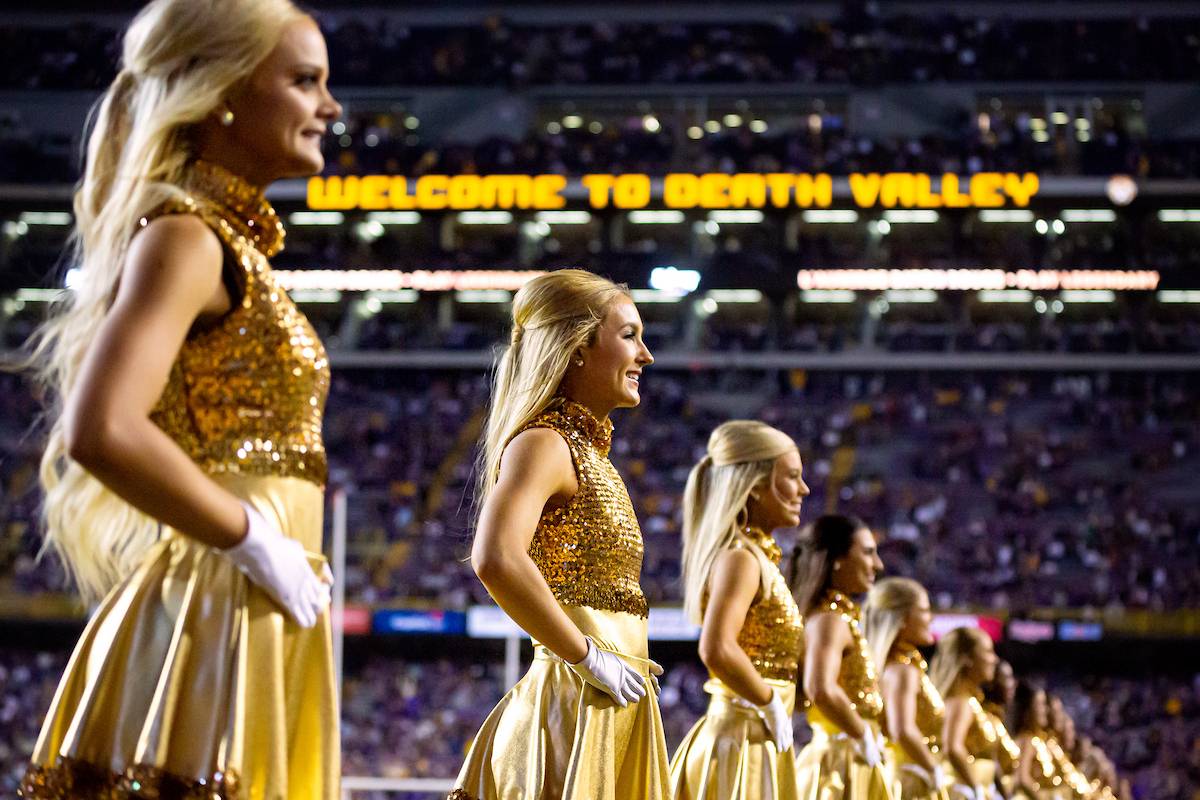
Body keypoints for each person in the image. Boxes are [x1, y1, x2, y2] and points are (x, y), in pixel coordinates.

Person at [19, 1, 343, 797]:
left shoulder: (223, 244)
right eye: (305, 81)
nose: (331, 107)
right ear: (224, 93)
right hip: (220, 600)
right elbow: (102, 428)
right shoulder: (188, 237)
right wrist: (254, 540)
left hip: (247, 593)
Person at [449, 269, 668, 800]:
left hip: (605, 699)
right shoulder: (546, 443)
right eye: (629, 335)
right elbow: (496, 557)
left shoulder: (588, 453)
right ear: (577, 348)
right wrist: (585, 656)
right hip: (571, 708)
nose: (646, 356)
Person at [669, 421, 809, 800]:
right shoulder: (742, 559)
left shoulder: (753, 558)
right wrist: (768, 701)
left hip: (752, 735)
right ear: (756, 485)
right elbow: (717, 647)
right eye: (792, 476)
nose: (803, 489)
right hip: (741, 742)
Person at [791, 514, 894, 800]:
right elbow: (820, 688)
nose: (878, 564)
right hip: (841, 764)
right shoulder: (830, 620)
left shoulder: (838, 618)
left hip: (850, 753)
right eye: (868, 553)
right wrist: (862, 734)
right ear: (837, 559)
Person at [863, 577, 948, 799]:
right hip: (911, 780)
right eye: (924, 610)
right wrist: (932, 767)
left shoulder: (896, 667)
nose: (930, 618)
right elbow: (902, 729)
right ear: (902, 618)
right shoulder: (903, 671)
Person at [930, 627, 1000, 800]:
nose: (994, 659)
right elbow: (953, 747)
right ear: (967, 658)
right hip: (963, 793)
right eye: (988, 652)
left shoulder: (965, 701)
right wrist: (975, 787)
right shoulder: (961, 703)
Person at [1010, 682, 1058, 800]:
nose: (1045, 710)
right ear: (1028, 709)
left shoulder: (1037, 740)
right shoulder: (1027, 741)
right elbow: (1022, 777)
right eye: (1040, 704)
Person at [982, 660, 1021, 798]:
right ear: (992, 682)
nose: (1013, 684)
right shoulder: (986, 718)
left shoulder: (998, 718)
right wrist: (1006, 795)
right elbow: (992, 761)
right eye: (1006, 678)